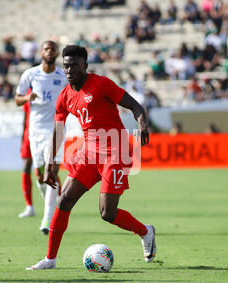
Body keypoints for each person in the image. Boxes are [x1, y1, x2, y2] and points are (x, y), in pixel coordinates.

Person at [26, 45, 156, 270]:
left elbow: (135, 105)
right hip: (88, 152)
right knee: (64, 199)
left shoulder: (101, 84)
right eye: (66, 66)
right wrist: (50, 166)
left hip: (115, 151)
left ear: (85, 66)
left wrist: (142, 123)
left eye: (74, 65)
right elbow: (58, 132)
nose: (69, 70)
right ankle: (50, 259)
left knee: (107, 213)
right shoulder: (65, 96)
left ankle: (145, 231)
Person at [15, 41, 68, 234]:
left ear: (56, 53)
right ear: (41, 52)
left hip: (57, 128)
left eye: (53, 49)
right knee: (39, 175)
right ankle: (55, 206)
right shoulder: (30, 74)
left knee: (51, 172)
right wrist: (27, 98)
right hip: (35, 130)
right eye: (47, 49)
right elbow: (17, 99)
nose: (50, 51)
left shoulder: (63, 75)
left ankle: (47, 220)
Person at [17, 89, 35, 219]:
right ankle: (29, 206)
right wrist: (22, 138)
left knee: (47, 169)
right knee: (26, 166)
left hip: (45, 134)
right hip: (29, 135)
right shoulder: (28, 93)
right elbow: (24, 118)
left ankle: (59, 198)